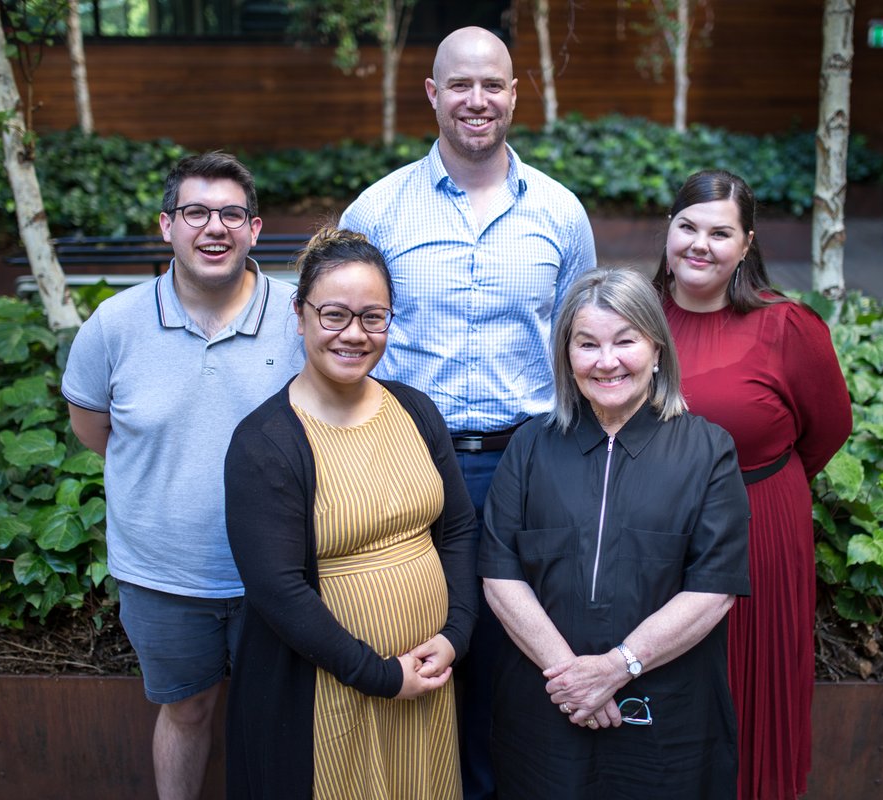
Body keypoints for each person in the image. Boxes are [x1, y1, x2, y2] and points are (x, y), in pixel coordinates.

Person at [339, 26, 597, 798]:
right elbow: (334, 337)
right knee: (420, 642)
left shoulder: (560, 212)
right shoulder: (379, 210)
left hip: (532, 463)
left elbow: (582, 342)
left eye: (492, 85)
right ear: (433, 95)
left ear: (516, 95)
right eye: (460, 85)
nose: (476, 100)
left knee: (516, 661)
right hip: (414, 461)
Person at [61, 152, 302, 800]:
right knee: (186, 711)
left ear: (256, 229)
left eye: (231, 213)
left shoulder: (300, 318)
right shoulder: (114, 325)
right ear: (167, 225)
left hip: (278, 574)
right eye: (196, 212)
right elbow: (94, 431)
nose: (214, 227)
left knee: (280, 723)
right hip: (163, 576)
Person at [222, 226, 478, 799]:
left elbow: (459, 530)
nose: (354, 335)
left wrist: (456, 634)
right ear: (300, 314)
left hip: (427, 683)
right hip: (331, 690)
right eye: (334, 315)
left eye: (373, 317)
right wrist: (381, 676)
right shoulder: (264, 442)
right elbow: (278, 590)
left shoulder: (415, 409)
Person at [479, 268, 751, 798]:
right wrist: (575, 679)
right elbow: (500, 577)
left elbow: (713, 589)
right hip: (547, 707)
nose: (607, 361)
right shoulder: (529, 446)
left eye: (625, 341)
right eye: (588, 344)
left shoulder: (708, 450)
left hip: (668, 718)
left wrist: (617, 667)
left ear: (656, 350)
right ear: (566, 355)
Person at [653, 169, 853, 800]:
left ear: (746, 244)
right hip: (655, 527)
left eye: (720, 232)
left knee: (747, 687)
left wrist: (754, 489)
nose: (700, 245)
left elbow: (827, 430)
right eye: (687, 227)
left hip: (757, 524)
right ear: (669, 231)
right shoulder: (637, 317)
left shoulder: (787, 326)